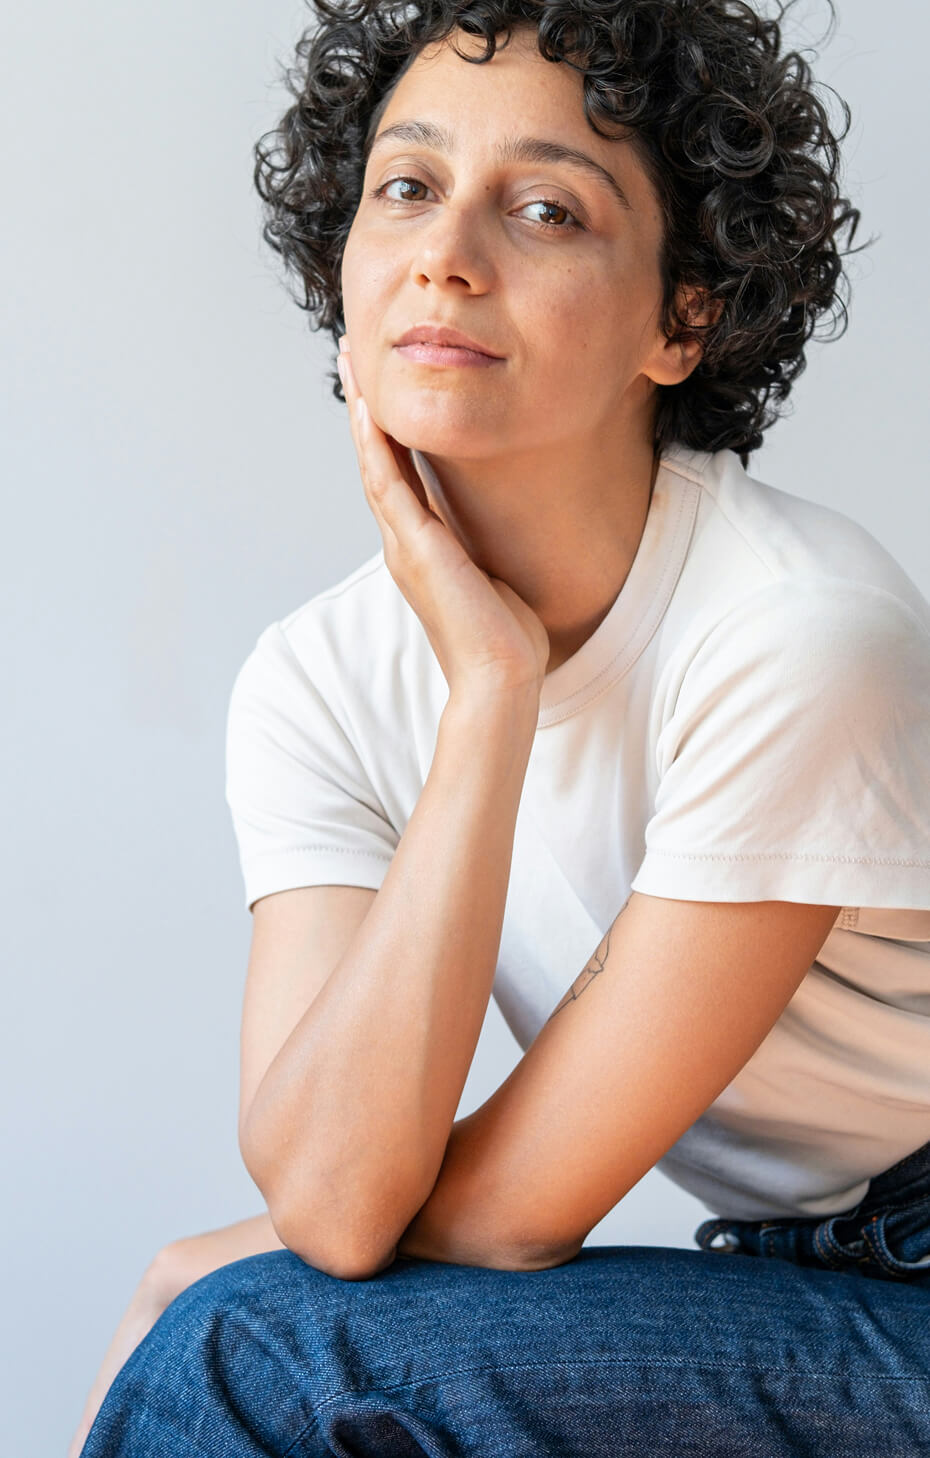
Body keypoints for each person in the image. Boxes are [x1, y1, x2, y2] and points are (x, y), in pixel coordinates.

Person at [73, 0, 930, 1453]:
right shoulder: (319, 681)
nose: (447, 255)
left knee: (247, 1340)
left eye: (545, 210)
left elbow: (500, 1219)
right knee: (248, 1324)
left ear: (682, 319)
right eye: (406, 187)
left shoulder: (798, 634)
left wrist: (489, 684)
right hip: (808, 1274)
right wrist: (489, 692)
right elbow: (333, 1195)